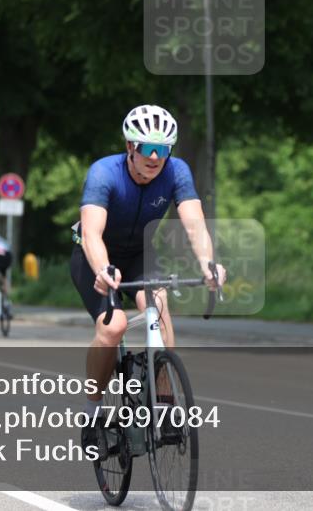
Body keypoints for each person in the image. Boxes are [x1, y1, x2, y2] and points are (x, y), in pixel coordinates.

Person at [70, 104, 225, 445]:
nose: (156, 158)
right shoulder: (103, 173)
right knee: (114, 326)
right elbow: (92, 234)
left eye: (164, 149)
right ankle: (93, 413)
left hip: (141, 253)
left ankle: (166, 405)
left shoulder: (176, 172)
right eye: (148, 148)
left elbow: (195, 224)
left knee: (158, 309)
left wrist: (208, 263)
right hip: (96, 258)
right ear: (130, 147)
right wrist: (103, 269)